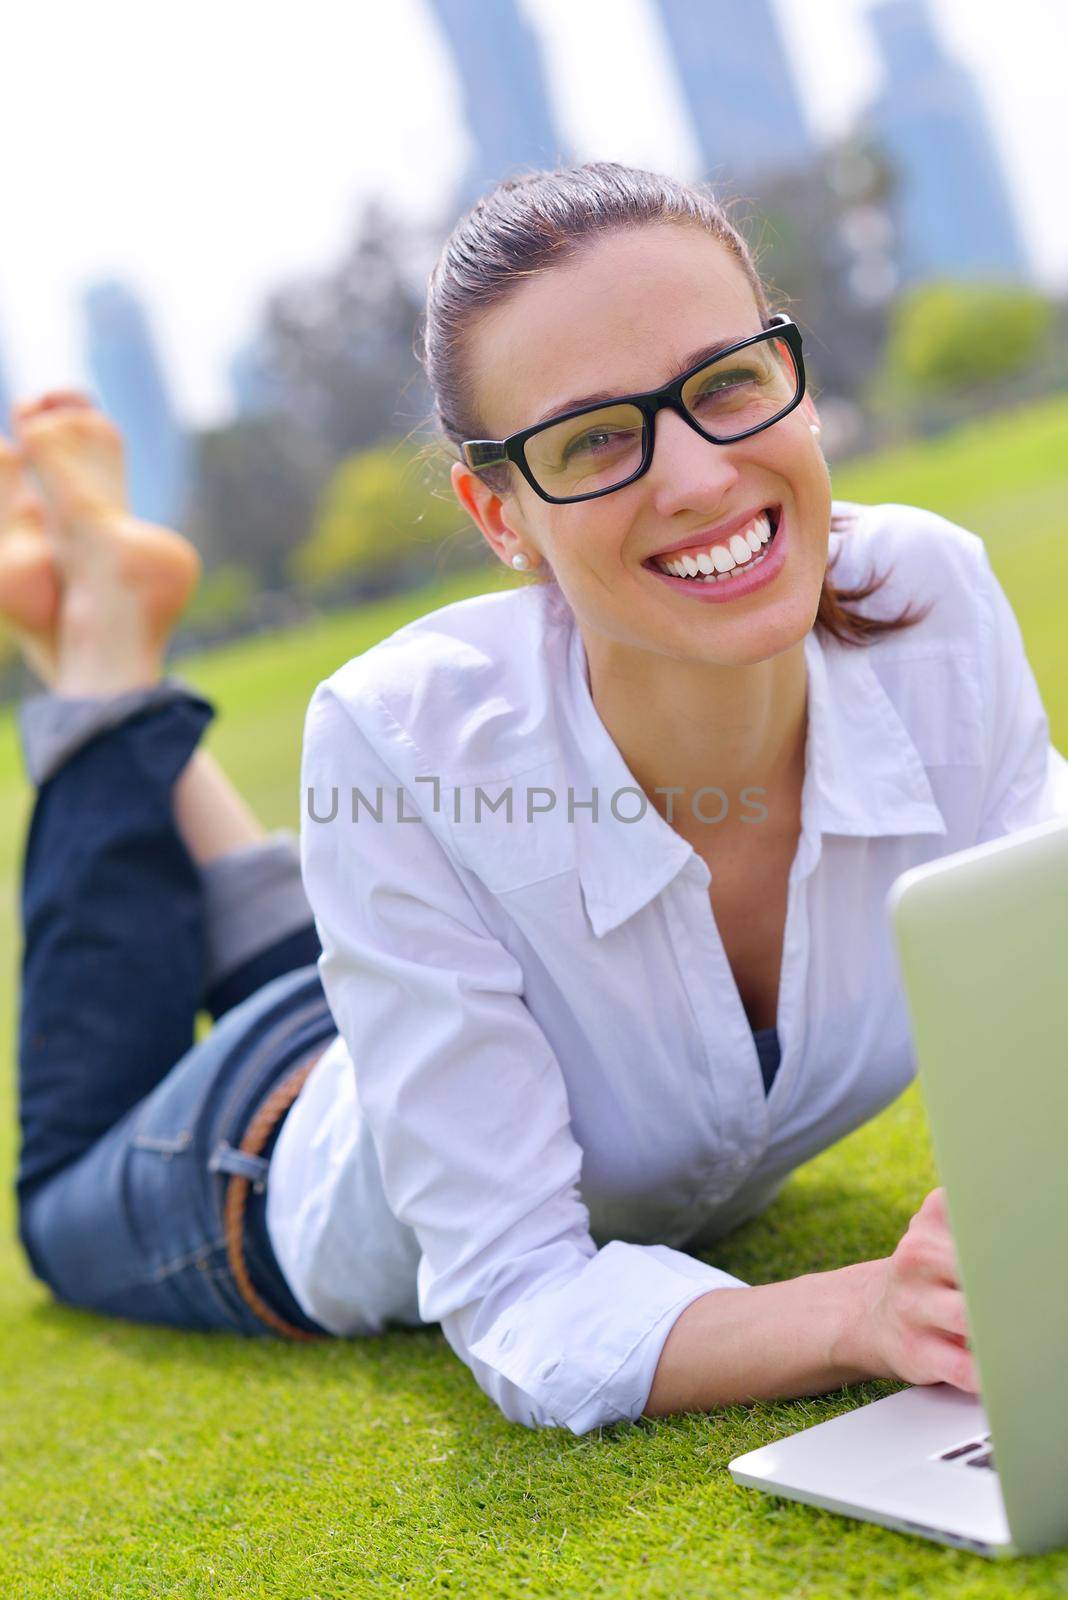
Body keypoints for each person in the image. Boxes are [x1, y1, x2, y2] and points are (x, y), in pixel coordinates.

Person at [6, 163, 1067, 1435]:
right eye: (596, 438)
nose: (698, 475)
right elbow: (520, 1300)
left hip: (413, 1011)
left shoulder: (930, 606)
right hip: (263, 1149)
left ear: (796, 380)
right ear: (496, 514)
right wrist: (860, 1311)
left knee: (341, 961)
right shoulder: (403, 740)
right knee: (61, 1192)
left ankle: (123, 661)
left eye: (727, 381)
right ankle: (108, 659)